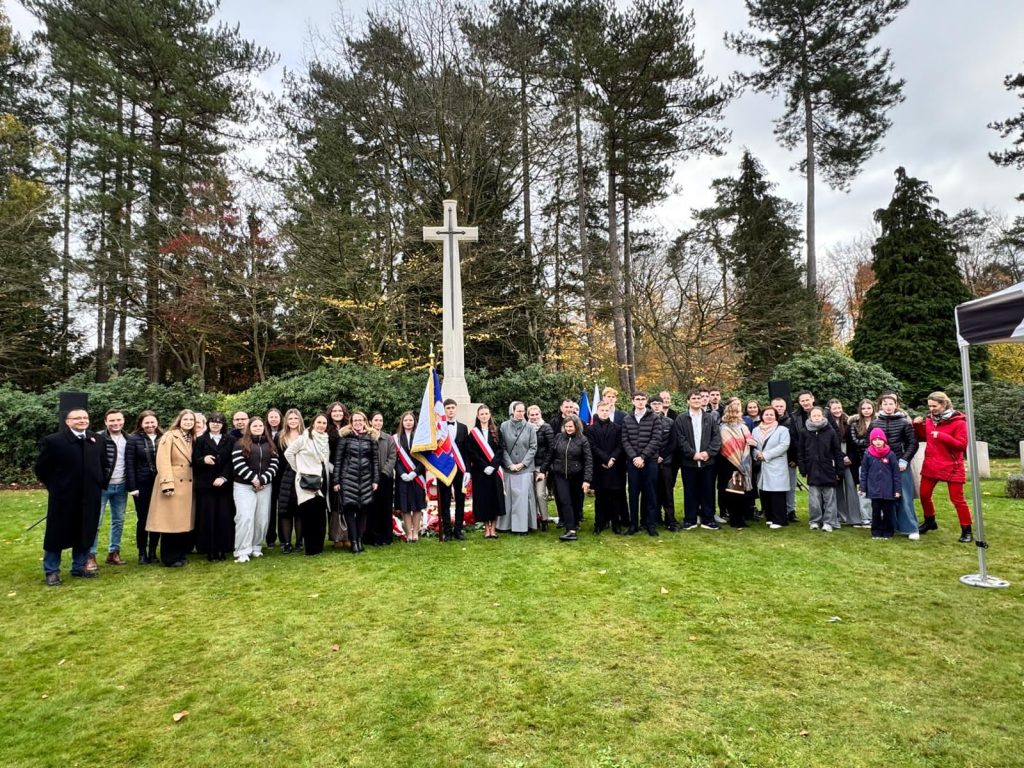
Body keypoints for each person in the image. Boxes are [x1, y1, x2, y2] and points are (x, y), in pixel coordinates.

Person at [35, 408, 106, 585]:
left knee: (85, 530)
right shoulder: (54, 441)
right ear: (68, 421)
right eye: (77, 418)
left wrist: (99, 482)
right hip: (64, 497)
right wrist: (56, 487)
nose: (82, 420)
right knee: (57, 534)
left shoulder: (97, 440)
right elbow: (41, 468)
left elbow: (104, 464)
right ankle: (52, 571)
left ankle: (79, 567)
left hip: (90, 495)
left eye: (85, 417)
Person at [914, 392, 973, 543]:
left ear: (944, 404)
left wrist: (941, 436)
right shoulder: (929, 419)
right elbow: (925, 436)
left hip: (952, 465)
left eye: (934, 406)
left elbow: (961, 445)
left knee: (957, 499)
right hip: (932, 464)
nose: (931, 409)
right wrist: (917, 425)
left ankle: (967, 530)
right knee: (924, 495)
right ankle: (930, 521)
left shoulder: (959, 422)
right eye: (929, 406)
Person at [147, 409, 197, 567]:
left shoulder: (192, 438)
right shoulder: (169, 436)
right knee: (169, 523)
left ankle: (180, 554)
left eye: (191, 419)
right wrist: (167, 483)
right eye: (186, 419)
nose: (188, 422)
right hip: (173, 483)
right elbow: (163, 460)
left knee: (181, 523)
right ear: (179, 420)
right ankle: (169, 557)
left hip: (187, 485)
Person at [871, 392, 920, 540]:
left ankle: (911, 528)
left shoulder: (904, 422)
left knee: (904, 497)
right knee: (887, 498)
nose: (888, 407)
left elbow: (913, 443)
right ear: (880, 406)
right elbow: (870, 443)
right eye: (885, 404)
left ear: (896, 405)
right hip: (882, 466)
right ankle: (890, 526)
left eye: (891, 404)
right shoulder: (875, 423)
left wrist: (904, 460)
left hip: (900, 464)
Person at [231, 416, 279, 563]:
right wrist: (253, 479)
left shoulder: (270, 444)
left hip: (265, 486)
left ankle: (255, 546)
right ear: (249, 428)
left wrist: (263, 479)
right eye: (255, 426)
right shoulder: (240, 443)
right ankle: (242, 550)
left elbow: (275, 463)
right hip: (243, 486)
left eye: (260, 426)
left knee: (262, 519)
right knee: (245, 518)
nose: (258, 428)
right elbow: (238, 464)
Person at [673, 389, 721, 531]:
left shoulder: (710, 418)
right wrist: (692, 454)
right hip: (689, 462)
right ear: (688, 401)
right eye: (693, 398)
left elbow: (716, 438)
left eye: (698, 398)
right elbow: (680, 439)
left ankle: (708, 519)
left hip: (707, 461)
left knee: (708, 491)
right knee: (690, 491)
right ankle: (690, 519)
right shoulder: (681, 419)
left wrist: (708, 452)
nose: (696, 400)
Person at [332, 410, 378, 554]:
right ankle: (354, 542)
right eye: (355, 420)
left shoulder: (371, 438)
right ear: (351, 422)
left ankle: (359, 539)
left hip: (365, 479)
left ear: (365, 421)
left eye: (360, 420)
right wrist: (336, 481)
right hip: (348, 479)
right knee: (350, 511)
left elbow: (375, 461)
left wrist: (375, 480)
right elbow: (338, 461)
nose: (358, 422)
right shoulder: (345, 437)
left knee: (363, 511)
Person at [285, 412, 331, 556]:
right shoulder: (303, 438)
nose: (321, 425)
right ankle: (310, 549)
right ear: (313, 424)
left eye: (324, 423)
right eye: (319, 422)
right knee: (309, 516)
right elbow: (288, 453)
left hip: (320, 482)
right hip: (306, 483)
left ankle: (319, 547)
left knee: (320, 517)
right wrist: (299, 469)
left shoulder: (325, 440)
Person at [543, 415, 593, 541]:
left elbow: (588, 461)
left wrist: (587, 480)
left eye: (571, 426)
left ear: (576, 426)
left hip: (577, 475)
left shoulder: (583, 440)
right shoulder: (558, 437)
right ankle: (570, 530)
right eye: (566, 426)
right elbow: (551, 455)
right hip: (560, 474)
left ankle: (575, 523)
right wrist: (542, 470)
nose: (569, 429)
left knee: (576, 501)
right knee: (565, 501)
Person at [621, 392, 664, 536]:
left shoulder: (655, 418)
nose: (640, 402)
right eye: (637, 399)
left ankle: (651, 525)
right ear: (633, 401)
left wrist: (643, 457)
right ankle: (633, 525)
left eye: (642, 399)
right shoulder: (627, 419)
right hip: (633, 463)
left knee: (650, 494)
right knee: (633, 494)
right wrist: (634, 457)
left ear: (646, 401)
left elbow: (656, 439)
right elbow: (625, 440)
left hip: (650, 462)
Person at [193, 412, 234, 561]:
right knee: (207, 518)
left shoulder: (230, 440)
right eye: (213, 421)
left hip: (224, 485)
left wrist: (223, 477)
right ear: (208, 423)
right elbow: (194, 460)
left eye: (219, 422)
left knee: (224, 517)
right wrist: (203, 459)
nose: (216, 424)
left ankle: (223, 549)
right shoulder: (200, 440)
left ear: (223, 425)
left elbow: (231, 461)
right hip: (206, 485)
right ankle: (209, 550)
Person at [91, 408, 128, 569]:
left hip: (122, 486)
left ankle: (114, 552)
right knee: (95, 522)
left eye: (118, 420)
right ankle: (90, 555)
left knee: (118, 520)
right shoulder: (97, 438)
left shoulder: (129, 438)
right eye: (112, 420)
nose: (116, 423)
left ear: (123, 420)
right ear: (106, 422)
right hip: (101, 487)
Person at [798, 406, 844, 532]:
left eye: (819, 415)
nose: (817, 418)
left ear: (823, 416)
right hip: (812, 469)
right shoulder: (804, 432)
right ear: (810, 417)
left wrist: (839, 470)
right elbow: (801, 452)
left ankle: (829, 522)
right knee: (814, 500)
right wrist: (803, 469)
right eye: (814, 415)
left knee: (829, 499)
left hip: (829, 469)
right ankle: (814, 521)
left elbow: (837, 452)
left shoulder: (830, 431)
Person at [125, 410, 161, 564]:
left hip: (159, 484)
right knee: (143, 519)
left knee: (157, 519)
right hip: (141, 484)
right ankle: (142, 552)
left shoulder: (163, 437)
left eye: (152, 422)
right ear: (141, 423)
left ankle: (153, 552)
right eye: (146, 422)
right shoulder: (133, 439)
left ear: (157, 422)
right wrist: (133, 487)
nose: (150, 425)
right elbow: (129, 464)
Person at [499, 401, 538, 534]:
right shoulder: (504, 426)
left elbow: (533, 447)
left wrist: (522, 464)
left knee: (522, 499)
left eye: (523, 411)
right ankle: (506, 525)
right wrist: (509, 464)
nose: (521, 414)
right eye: (518, 411)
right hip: (509, 468)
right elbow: (502, 447)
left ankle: (522, 527)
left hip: (525, 468)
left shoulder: (530, 427)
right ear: (512, 411)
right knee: (508, 498)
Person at [588, 401, 627, 534]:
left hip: (615, 468)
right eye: (602, 410)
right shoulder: (591, 429)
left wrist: (612, 459)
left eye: (606, 410)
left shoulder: (617, 428)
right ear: (597, 412)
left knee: (615, 497)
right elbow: (592, 446)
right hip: (599, 467)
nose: (604, 412)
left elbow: (620, 446)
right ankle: (599, 524)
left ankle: (616, 524)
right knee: (600, 498)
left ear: (610, 411)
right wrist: (605, 459)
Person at [716, 400, 756, 528]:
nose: (735, 414)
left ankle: (742, 518)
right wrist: (737, 459)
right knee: (732, 492)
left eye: (737, 411)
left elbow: (750, 441)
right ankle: (734, 518)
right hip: (729, 462)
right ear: (728, 413)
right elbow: (726, 446)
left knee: (743, 492)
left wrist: (751, 443)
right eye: (733, 411)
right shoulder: (723, 428)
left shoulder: (744, 427)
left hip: (745, 463)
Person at [466, 405, 504, 539]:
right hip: (480, 472)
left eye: (486, 413)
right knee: (483, 500)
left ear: (489, 415)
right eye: (481, 414)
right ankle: (486, 528)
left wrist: (493, 466)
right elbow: (472, 453)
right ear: (478, 416)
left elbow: (500, 450)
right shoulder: (473, 433)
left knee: (494, 499)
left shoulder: (497, 431)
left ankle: (493, 528)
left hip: (494, 471)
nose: (484, 416)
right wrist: (484, 466)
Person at [859, 428, 902, 540]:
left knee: (888, 512)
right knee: (876, 512)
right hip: (874, 490)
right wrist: (863, 487)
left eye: (880, 439)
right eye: (875, 439)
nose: (877, 442)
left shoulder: (890, 454)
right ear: (871, 441)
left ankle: (888, 532)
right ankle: (876, 532)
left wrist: (897, 490)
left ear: (884, 440)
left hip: (888, 490)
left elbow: (896, 474)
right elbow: (864, 472)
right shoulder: (868, 454)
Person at [752, 405, 791, 529]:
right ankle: (769, 517)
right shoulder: (755, 430)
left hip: (776, 464)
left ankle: (780, 520)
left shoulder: (782, 430)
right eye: (766, 414)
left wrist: (766, 455)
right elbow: (753, 445)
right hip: (762, 465)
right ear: (762, 416)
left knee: (777, 493)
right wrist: (757, 454)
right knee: (765, 492)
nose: (768, 416)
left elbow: (784, 446)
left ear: (776, 417)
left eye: (771, 415)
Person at [827, 399, 864, 528]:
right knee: (837, 489)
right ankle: (840, 516)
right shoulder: (827, 424)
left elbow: (854, 443)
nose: (837, 410)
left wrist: (849, 458)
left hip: (850, 459)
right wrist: (841, 457)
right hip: (835, 459)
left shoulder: (849, 422)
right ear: (829, 409)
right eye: (834, 408)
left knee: (851, 487)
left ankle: (854, 518)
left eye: (839, 407)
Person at [437, 399, 470, 540]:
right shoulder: (439, 428)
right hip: (444, 469)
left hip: (460, 469)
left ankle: (458, 530)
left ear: (456, 409)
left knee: (460, 500)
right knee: (444, 500)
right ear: (444, 410)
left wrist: (467, 470)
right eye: (448, 408)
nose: (450, 410)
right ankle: (447, 531)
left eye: (452, 408)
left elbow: (466, 451)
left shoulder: (463, 428)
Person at [275, 409, 305, 553]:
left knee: (300, 511)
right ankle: (286, 543)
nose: (293, 421)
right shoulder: (280, 437)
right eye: (290, 418)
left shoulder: (306, 436)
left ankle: (299, 542)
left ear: (300, 420)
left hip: (302, 476)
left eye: (295, 418)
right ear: (286, 421)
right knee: (285, 511)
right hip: (284, 478)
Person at [393, 410, 426, 543]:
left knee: (417, 506)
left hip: (417, 476)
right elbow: (395, 459)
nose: (408, 422)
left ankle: (416, 532)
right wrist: (402, 473)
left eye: (410, 420)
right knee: (405, 506)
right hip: (403, 478)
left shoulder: (420, 438)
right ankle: (409, 533)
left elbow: (424, 458)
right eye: (406, 420)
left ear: (414, 422)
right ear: (402, 422)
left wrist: (414, 473)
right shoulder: (395, 438)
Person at [846, 398, 877, 528]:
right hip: (861, 461)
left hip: (878, 461)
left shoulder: (878, 422)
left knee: (876, 490)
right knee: (863, 490)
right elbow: (854, 442)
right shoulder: (855, 424)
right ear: (860, 410)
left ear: (873, 409)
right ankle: (865, 518)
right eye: (864, 408)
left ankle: (876, 516)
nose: (866, 411)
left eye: (869, 408)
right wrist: (871, 443)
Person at [650, 396, 678, 530]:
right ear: (650, 405)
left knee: (667, 492)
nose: (656, 406)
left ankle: (670, 520)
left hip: (666, 463)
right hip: (650, 462)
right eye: (654, 404)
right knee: (651, 493)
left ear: (662, 405)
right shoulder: (646, 422)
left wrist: (662, 456)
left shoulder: (670, 422)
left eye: (659, 404)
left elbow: (673, 443)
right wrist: (653, 456)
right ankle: (654, 519)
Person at [369, 411, 397, 546]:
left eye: (380, 420)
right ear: (370, 422)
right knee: (373, 508)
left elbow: (393, 457)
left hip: (386, 477)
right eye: (375, 420)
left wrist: (384, 472)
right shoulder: (367, 437)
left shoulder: (389, 438)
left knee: (386, 508)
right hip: (370, 478)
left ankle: (387, 537)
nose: (378, 423)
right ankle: (374, 537)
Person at [326, 401, 351, 548]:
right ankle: (336, 537)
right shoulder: (326, 429)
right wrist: (332, 468)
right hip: (331, 469)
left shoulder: (349, 427)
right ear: (330, 413)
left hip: (347, 471)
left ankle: (347, 536)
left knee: (347, 503)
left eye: (340, 411)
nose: (337, 413)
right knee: (335, 504)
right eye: (334, 411)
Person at [771, 397, 800, 523]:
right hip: (772, 460)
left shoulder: (791, 421)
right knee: (773, 487)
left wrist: (795, 458)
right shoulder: (768, 421)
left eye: (781, 406)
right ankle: (774, 510)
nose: (779, 408)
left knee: (791, 487)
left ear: (785, 407)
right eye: (776, 406)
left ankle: (791, 511)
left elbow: (796, 441)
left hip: (789, 460)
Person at [527, 405, 554, 531]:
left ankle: (544, 519)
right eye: (532, 415)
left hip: (540, 467)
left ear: (540, 414)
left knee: (540, 494)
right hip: (527, 467)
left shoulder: (546, 427)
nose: (534, 417)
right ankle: (534, 519)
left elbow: (551, 450)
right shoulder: (525, 428)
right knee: (530, 495)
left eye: (536, 414)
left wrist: (544, 469)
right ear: (528, 416)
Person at [265, 408, 283, 549]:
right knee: (270, 508)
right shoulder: (264, 433)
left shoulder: (285, 432)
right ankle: (270, 537)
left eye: (276, 417)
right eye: (271, 417)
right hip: (269, 474)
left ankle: (284, 537)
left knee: (282, 507)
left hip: (283, 474)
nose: (273, 419)